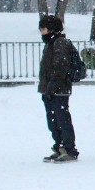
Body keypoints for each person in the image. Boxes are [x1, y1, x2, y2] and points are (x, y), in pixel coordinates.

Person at [38, 15, 79, 163]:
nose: (42, 32)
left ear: (51, 29)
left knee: (62, 118)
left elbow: (59, 67)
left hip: (58, 89)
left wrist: (51, 87)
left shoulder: (60, 43)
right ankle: (60, 146)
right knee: (53, 119)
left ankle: (69, 148)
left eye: (43, 29)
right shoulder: (51, 43)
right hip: (49, 89)